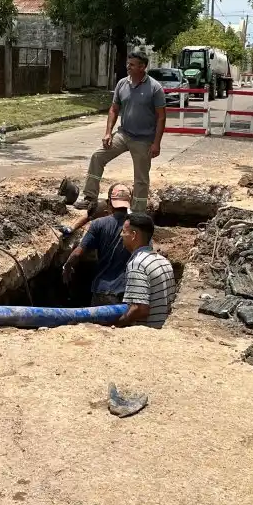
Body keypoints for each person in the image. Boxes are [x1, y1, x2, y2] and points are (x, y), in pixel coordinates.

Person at [76, 53, 167, 214]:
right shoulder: (122, 84)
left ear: (142, 67)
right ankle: (90, 198)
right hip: (123, 135)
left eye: (132, 64)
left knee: (141, 178)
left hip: (144, 140)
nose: (128, 67)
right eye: (128, 63)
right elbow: (114, 108)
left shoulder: (154, 88)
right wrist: (108, 133)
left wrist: (156, 143)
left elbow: (161, 117)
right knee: (98, 156)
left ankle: (138, 212)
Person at [62, 184, 133, 305]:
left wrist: (67, 268)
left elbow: (77, 254)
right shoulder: (139, 224)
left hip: (103, 291)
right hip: (130, 292)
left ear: (109, 203)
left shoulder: (99, 224)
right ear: (129, 202)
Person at [115, 213, 177, 328]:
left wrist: (119, 324)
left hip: (148, 332)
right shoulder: (162, 260)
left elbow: (140, 309)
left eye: (123, 231)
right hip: (162, 329)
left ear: (133, 235)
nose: (121, 235)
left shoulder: (137, 264)